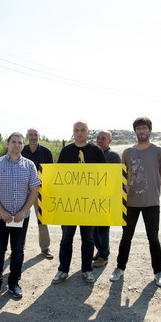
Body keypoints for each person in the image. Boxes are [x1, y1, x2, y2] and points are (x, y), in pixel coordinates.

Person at [110, 117, 161, 287]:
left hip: (152, 202)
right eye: (138, 129)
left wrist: (152, 187)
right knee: (126, 238)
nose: (141, 131)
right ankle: (120, 268)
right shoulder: (128, 152)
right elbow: (123, 176)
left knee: (153, 239)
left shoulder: (159, 151)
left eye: (144, 128)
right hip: (130, 203)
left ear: (149, 130)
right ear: (135, 131)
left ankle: (158, 272)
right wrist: (126, 187)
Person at [0, 132, 41, 300]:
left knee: (18, 251)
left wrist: (24, 211)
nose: (16, 145)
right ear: (8, 144)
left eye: (19, 142)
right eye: (13, 142)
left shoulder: (29, 165)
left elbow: (34, 190)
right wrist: (1, 211)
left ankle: (14, 283)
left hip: (20, 218)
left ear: (23, 145)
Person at [52, 120, 106, 284]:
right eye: (77, 130)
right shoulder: (66, 151)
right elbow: (58, 177)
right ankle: (63, 270)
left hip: (88, 204)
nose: (80, 132)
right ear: (73, 132)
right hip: (69, 205)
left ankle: (87, 270)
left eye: (83, 130)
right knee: (66, 239)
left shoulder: (96, 151)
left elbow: (104, 177)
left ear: (88, 132)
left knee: (88, 239)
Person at [21, 128, 54, 259]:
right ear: (27, 136)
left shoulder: (46, 152)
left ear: (39, 136)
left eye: (35, 135)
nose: (33, 137)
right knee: (20, 219)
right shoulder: (21, 150)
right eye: (31, 135)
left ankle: (45, 248)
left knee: (42, 220)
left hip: (41, 191)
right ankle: (18, 247)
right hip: (23, 191)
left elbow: (51, 172)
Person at [92, 130, 121, 268]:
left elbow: (116, 178)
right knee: (94, 229)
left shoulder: (113, 156)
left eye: (103, 138)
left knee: (103, 228)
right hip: (92, 198)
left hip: (106, 199)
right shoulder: (91, 154)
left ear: (110, 141)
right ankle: (101, 250)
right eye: (98, 138)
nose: (99, 140)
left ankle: (104, 256)